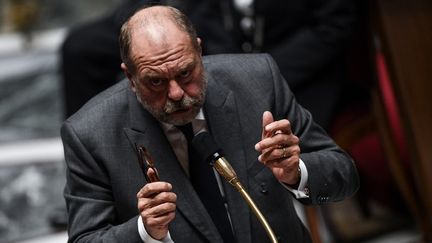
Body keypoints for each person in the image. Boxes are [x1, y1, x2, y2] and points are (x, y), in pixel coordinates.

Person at [61, 5, 359, 242]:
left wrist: (296, 173)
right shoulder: (90, 134)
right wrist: (143, 231)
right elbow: (87, 238)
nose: (176, 93)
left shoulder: (257, 80)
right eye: (155, 81)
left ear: (199, 52)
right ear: (130, 77)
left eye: (186, 73)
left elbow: (343, 174)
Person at [61, 0, 357, 129]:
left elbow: (333, 28)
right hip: (224, 57)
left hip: (300, 75)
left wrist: (257, 72)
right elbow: (205, 16)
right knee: (147, 89)